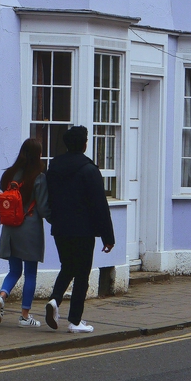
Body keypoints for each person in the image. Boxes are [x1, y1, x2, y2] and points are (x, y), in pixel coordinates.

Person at [44, 125, 115, 334]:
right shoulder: (89, 170)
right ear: (84, 144)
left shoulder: (54, 167)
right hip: (83, 230)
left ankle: (55, 301)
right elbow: (99, 205)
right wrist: (108, 237)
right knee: (82, 274)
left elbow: (49, 198)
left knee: (67, 266)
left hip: (60, 228)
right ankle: (75, 320)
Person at [0, 138, 51, 328]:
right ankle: (25, 316)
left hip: (10, 228)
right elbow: (42, 207)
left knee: (14, 270)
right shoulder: (39, 176)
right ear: (38, 155)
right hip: (30, 227)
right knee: (30, 273)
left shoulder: (8, 175)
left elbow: (2, 206)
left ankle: (2, 296)